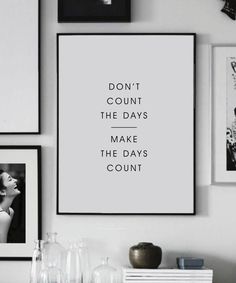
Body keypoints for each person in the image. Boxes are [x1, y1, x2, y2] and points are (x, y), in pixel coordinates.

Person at [0, 170, 20, 243]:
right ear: (2, 191)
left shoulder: (10, 211)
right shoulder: (3, 216)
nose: (16, 180)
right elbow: (3, 250)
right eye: (10, 179)